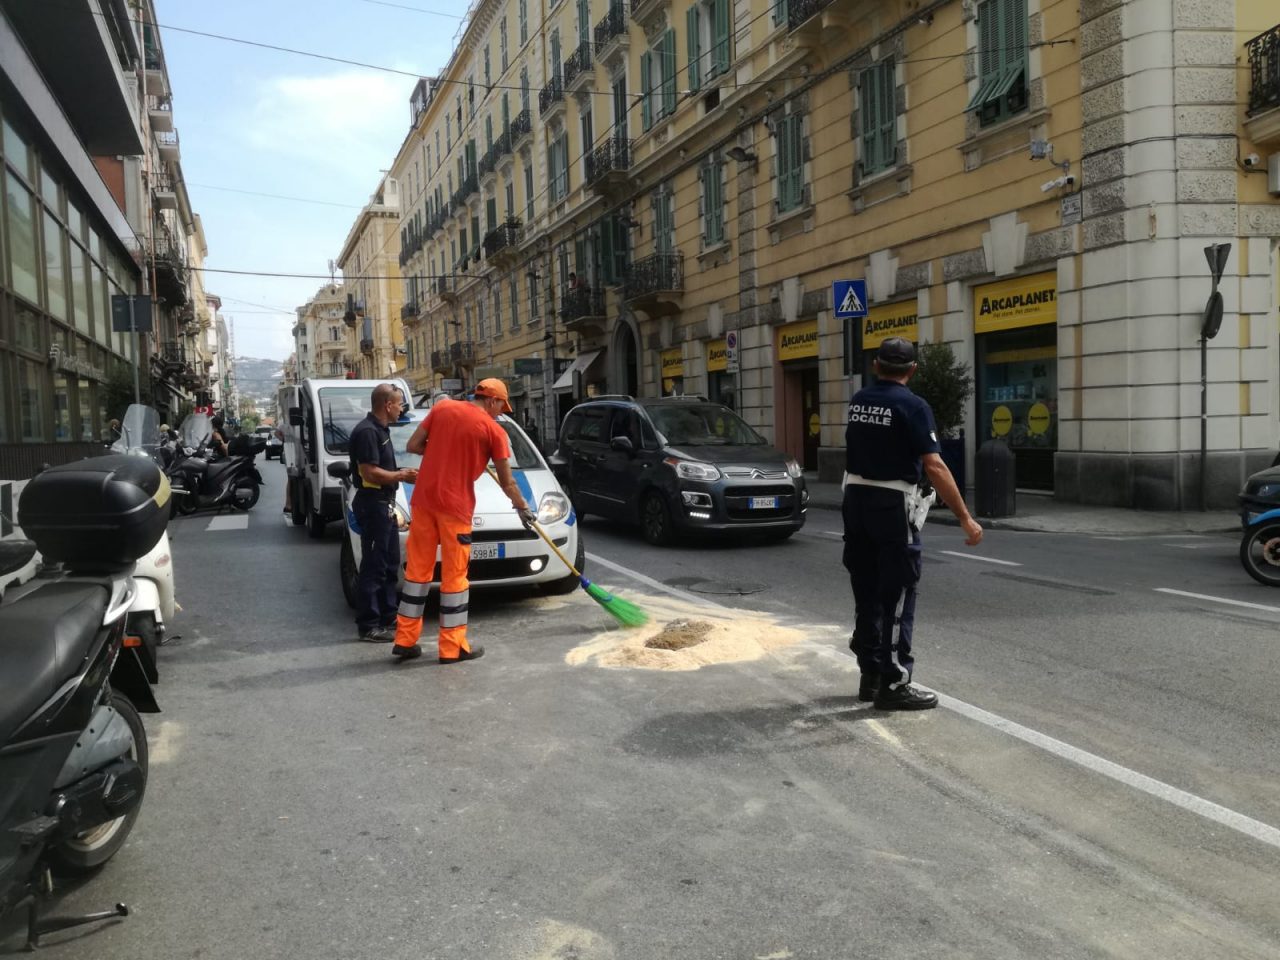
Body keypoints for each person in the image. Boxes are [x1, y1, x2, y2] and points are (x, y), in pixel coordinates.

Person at [842, 337, 983, 711]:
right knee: (897, 592)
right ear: (913, 369)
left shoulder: (859, 401)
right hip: (891, 506)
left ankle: (870, 676)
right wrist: (965, 518)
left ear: (876, 365)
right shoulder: (914, 406)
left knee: (866, 590)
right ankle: (893, 683)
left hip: (855, 501)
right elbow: (935, 465)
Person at [393, 378, 535, 663]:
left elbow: (414, 444)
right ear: (492, 401)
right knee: (455, 576)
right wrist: (522, 507)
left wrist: (443, 448)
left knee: (417, 572)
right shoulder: (494, 431)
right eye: (502, 407)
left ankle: (405, 640)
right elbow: (508, 482)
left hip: (423, 500)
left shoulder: (442, 408)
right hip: (454, 507)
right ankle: (452, 647)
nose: (501, 413)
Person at [348, 384, 418, 643]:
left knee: (389, 564)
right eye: (399, 404)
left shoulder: (380, 429)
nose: (401, 409)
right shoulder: (368, 432)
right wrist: (401, 476)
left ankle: (388, 616)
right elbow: (369, 472)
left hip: (384, 504)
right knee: (374, 566)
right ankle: (368, 625)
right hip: (373, 504)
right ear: (387, 405)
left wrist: (400, 474)